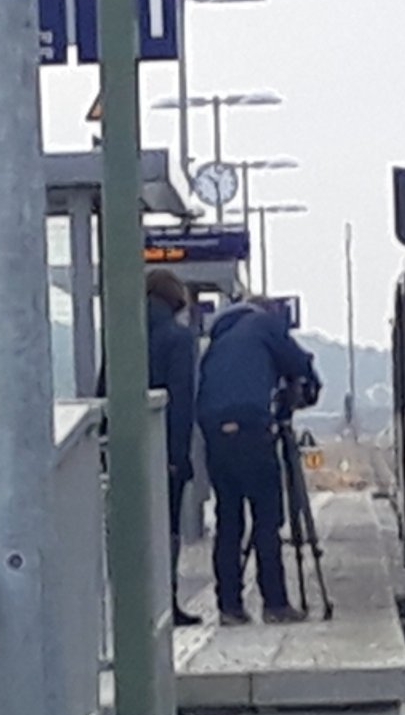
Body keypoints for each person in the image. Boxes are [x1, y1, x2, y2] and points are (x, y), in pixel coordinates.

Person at [196, 295, 320, 625]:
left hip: (213, 431)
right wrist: (303, 386)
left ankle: (229, 607)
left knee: (229, 520)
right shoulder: (264, 324)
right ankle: (276, 604)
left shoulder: (219, 339)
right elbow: (299, 364)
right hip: (252, 427)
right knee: (267, 518)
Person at [97, 268, 202, 626]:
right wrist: (178, 456)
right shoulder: (179, 338)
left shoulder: (121, 334)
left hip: (122, 450)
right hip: (162, 453)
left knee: (130, 529)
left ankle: (131, 607)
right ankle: (166, 601)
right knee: (165, 528)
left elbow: (103, 390)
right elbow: (182, 401)